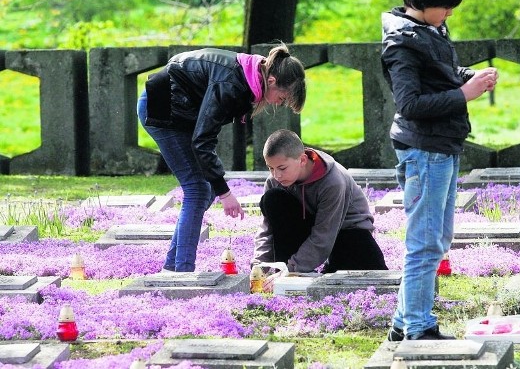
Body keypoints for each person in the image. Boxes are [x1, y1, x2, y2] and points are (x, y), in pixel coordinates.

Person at [381, 0, 498, 341]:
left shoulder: (430, 29)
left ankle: (403, 323)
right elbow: (409, 105)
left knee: (437, 238)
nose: (449, 13)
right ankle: (418, 327)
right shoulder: (402, 43)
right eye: (445, 5)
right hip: (424, 150)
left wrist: (471, 78)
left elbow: (441, 77)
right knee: (425, 242)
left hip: (442, 145)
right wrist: (464, 93)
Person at [137, 44, 306, 272]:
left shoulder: (249, 76)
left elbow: (206, 133)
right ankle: (181, 273)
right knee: (197, 191)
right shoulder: (232, 84)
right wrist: (225, 193)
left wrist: (217, 186)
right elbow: (202, 141)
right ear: (273, 81)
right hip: (161, 107)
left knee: (202, 192)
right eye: (282, 97)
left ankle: (173, 267)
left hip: (181, 109)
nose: (279, 103)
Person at [252, 129, 388, 278]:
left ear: (302, 160)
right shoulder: (274, 181)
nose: (276, 175)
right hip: (309, 226)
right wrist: (260, 266)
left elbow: (324, 234)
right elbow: (267, 229)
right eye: (270, 168)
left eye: (282, 168)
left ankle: (298, 270)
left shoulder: (333, 182)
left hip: (347, 232)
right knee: (273, 198)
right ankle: (288, 271)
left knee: (360, 277)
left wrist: (291, 270)